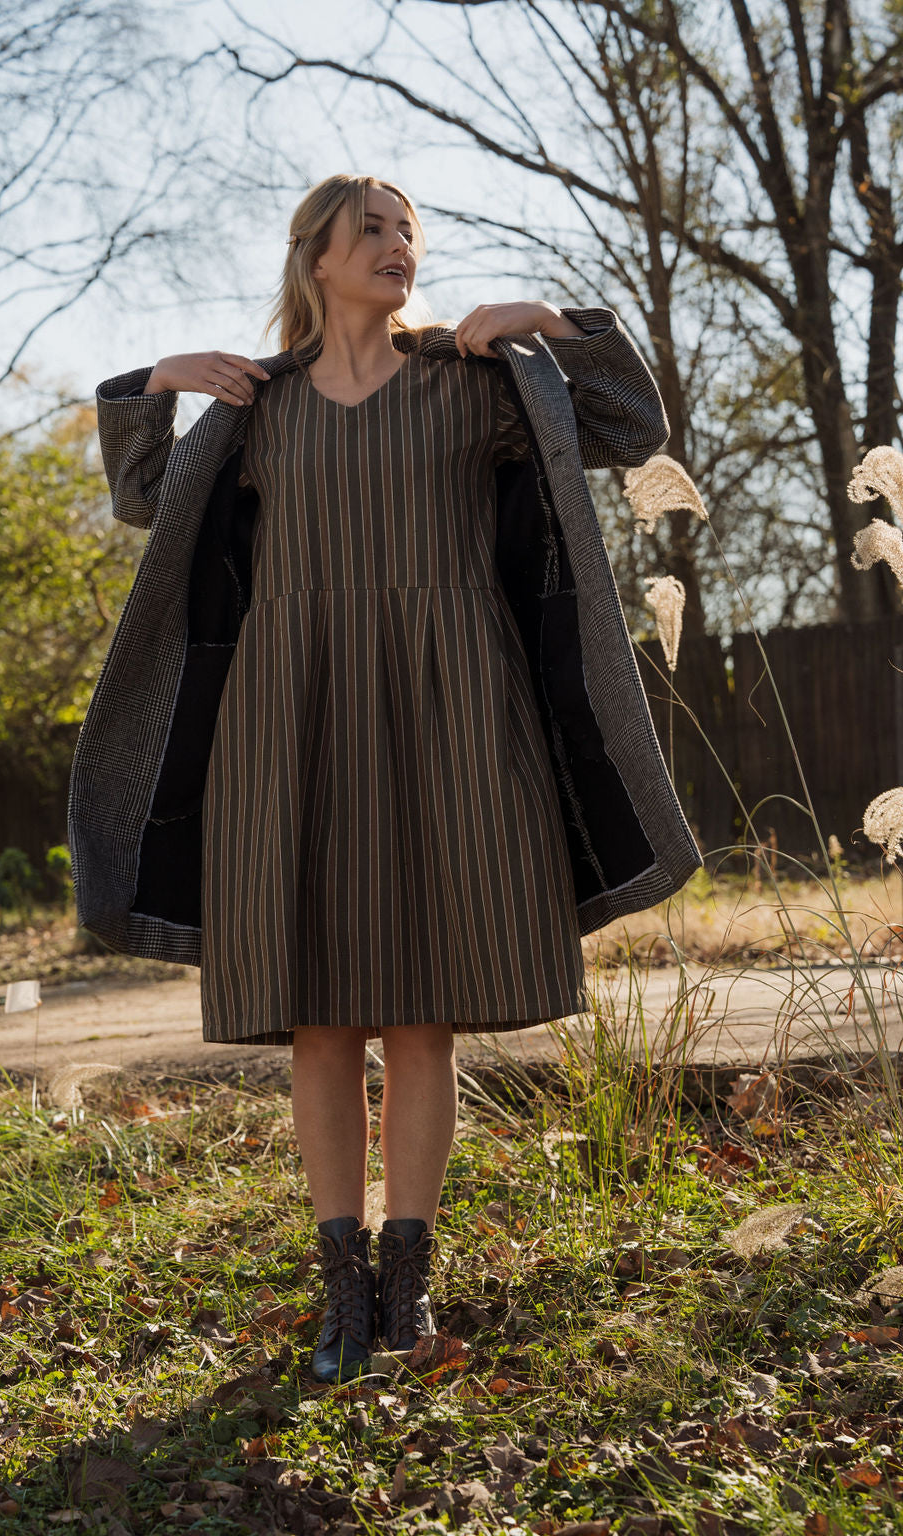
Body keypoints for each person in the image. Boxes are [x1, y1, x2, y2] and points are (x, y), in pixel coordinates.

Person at [72, 170, 701, 1387]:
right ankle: (342, 1293)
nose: (400, 246)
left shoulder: (475, 381)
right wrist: (157, 383)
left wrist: (546, 323)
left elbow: (629, 430)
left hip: (455, 704)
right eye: (374, 228)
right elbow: (146, 498)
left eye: (411, 230)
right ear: (316, 254)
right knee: (321, 1016)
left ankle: (410, 1289)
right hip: (286, 715)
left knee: (423, 1009)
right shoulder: (260, 408)